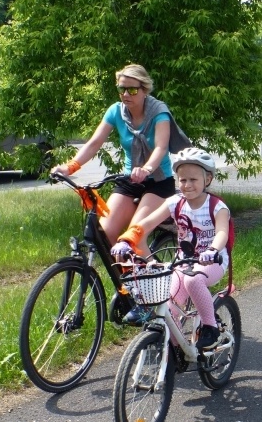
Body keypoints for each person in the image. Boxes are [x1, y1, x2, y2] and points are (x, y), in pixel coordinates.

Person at [111, 147, 230, 351]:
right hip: (183, 262)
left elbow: (222, 233)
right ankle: (175, 350)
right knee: (168, 304)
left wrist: (212, 250)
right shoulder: (175, 202)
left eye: (193, 180)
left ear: (207, 179)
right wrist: (126, 240)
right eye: (182, 180)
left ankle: (210, 328)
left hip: (213, 262)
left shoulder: (217, 207)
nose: (187, 185)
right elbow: (144, 225)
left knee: (193, 280)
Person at [51, 64, 177, 254]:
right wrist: (70, 167)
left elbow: (160, 147)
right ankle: (124, 281)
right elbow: (94, 143)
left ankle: (147, 280)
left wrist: (147, 169)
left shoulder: (159, 111)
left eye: (132, 90)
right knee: (104, 235)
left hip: (159, 182)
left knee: (133, 238)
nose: (126, 94)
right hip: (130, 180)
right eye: (121, 89)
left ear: (144, 90)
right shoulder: (116, 111)